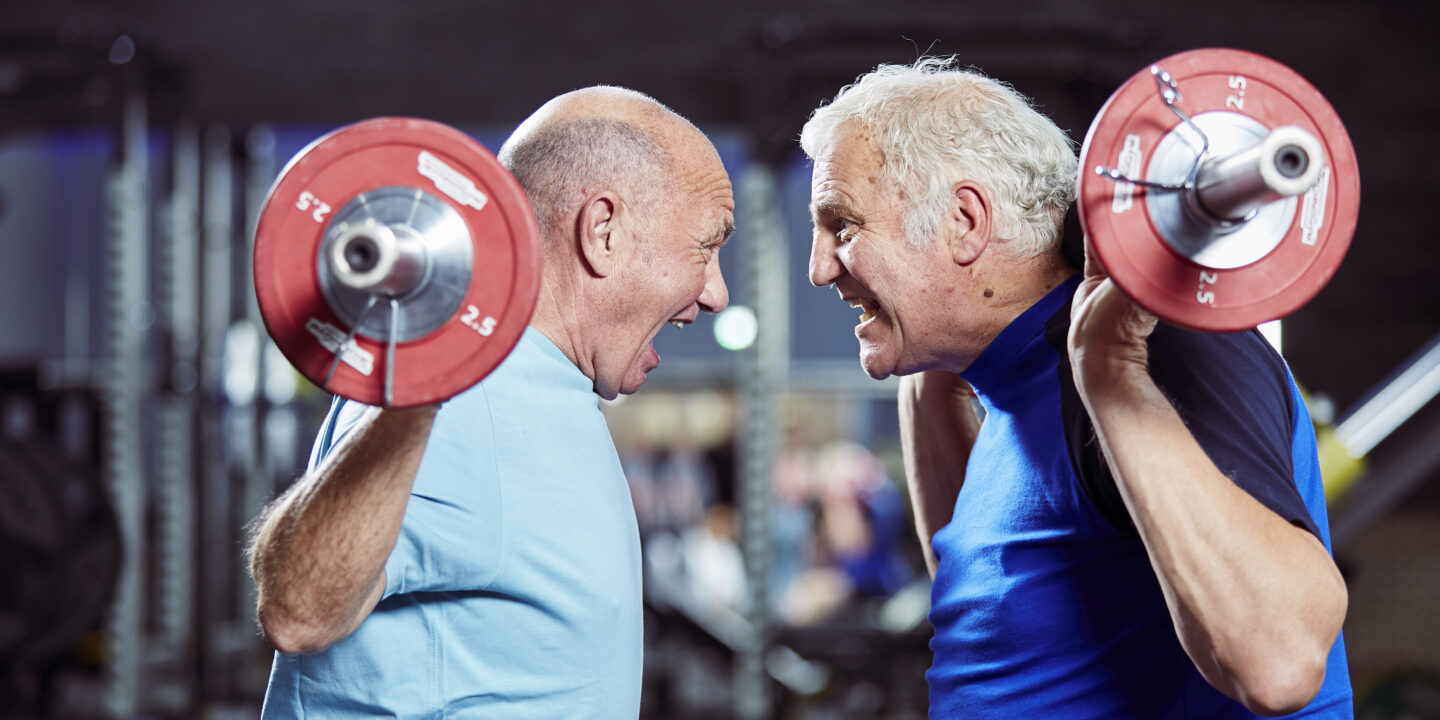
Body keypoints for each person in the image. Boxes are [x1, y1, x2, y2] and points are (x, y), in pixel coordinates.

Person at [799, 58, 1352, 718]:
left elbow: (1282, 664)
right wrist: (927, 352)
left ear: (966, 221)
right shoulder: (1002, 382)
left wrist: (1113, 370)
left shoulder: (1160, 345)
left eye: (843, 225)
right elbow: (983, 618)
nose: (818, 267)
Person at [247, 86, 734, 717]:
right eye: (707, 247)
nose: (717, 293)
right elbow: (298, 607)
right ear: (604, 231)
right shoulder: (465, 398)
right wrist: (427, 386)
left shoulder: (541, 389)